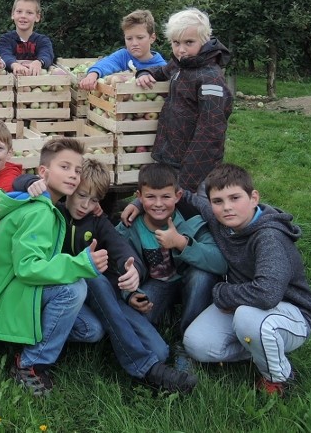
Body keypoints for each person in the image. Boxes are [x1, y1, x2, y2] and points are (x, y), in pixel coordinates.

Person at [14, 159, 198, 393]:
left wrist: (131, 270)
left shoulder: (97, 220)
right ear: (70, 188)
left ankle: (145, 359)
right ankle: (143, 367)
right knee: (92, 275)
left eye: (93, 200)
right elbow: (15, 184)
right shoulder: (51, 210)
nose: (85, 205)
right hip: (51, 292)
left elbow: (121, 249)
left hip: (88, 299)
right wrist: (31, 181)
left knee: (155, 349)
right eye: (81, 196)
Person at [0, 137, 105, 396]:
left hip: (9, 290)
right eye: (65, 167)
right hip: (2, 296)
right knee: (73, 289)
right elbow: (27, 267)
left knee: (91, 329)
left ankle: (23, 339)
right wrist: (81, 263)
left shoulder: (43, 206)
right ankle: (29, 364)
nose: (73, 176)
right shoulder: (40, 213)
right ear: (44, 172)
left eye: (77, 171)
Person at [182, 164, 311, 396]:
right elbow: (185, 196)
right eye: (218, 201)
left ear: (253, 197)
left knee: (249, 317)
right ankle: (261, 350)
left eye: (235, 198)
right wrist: (136, 204)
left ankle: (279, 378)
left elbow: (267, 294)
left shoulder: (270, 237)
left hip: (290, 316)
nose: (227, 207)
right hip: (244, 306)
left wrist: (221, 293)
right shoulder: (221, 220)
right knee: (197, 344)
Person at [116, 163, 227, 366]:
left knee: (202, 276)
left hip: (190, 280)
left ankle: (186, 344)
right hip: (158, 283)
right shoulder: (129, 227)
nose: (158, 204)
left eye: (166, 197)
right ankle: (163, 315)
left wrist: (181, 243)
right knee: (137, 322)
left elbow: (220, 263)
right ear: (139, 196)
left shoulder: (193, 220)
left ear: (178, 196)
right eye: (150, 197)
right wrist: (130, 294)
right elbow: (116, 265)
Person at [135, 8, 233, 191]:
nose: (181, 50)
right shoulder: (182, 64)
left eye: (189, 42)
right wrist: (145, 72)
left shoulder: (210, 79)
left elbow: (211, 130)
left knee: (193, 211)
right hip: (171, 155)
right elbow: (163, 71)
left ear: (204, 41)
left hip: (193, 166)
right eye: (175, 43)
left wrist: (189, 177)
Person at [78, 9, 167, 90]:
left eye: (140, 38)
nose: (134, 43)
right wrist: (93, 74)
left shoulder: (161, 67)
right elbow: (106, 63)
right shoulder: (123, 56)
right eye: (129, 38)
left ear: (152, 38)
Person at [0, 0, 55, 76]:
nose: (23, 16)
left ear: (37, 17)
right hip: (11, 84)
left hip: (36, 82)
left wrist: (39, 62)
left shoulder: (42, 40)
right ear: (13, 14)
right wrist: (14, 65)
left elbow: (47, 54)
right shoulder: (6, 39)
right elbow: (4, 54)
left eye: (29, 13)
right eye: (19, 11)